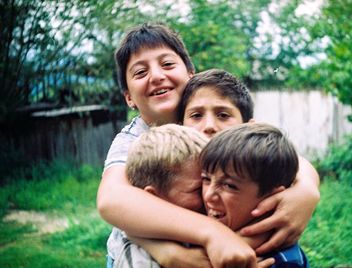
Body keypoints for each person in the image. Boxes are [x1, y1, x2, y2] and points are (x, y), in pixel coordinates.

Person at [97, 23, 320, 268]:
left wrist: (307, 190)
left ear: (190, 74)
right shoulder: (133, 139)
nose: (157, 76)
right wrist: (208, 235)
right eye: (140, 72)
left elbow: (291, 161)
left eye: (168, 64)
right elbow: (111, 200)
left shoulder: (218, 122)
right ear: (128, 97)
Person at [200, 122, 309, 267]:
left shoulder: (283, 261)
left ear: (271, 197)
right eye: (206, 179)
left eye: (229, 185)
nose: (208, 195)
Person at [113, 124, 210, 268]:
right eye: (197, 189)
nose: (209, 195)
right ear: (152, 198)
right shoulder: (140, 260)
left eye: (209, 182)